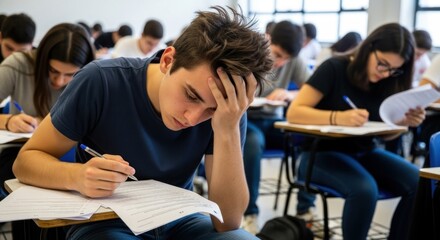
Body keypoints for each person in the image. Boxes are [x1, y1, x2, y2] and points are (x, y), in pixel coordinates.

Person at [13, 6, 273, 239]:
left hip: (180, 220)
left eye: (211, 110)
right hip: (106, 222)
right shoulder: (101, 81)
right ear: (168, 61)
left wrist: (226, 127)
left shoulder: (228, 110)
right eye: (191, 96)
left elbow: (228, 222)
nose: (193, 118)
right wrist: (77, 176)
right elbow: (25, 161)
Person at [287, 23, 424, 240]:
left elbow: (384, 134)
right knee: (364, 190)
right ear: (368, 48)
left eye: (393, 69)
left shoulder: (389, 81)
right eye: (382, 64)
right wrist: (337, 117)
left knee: (419, 182)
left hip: (365, 153)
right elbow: (294, 113)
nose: (386, 73)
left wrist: (403, 123)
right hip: (319, 155)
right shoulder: (334, 68)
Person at [0, 22, 95, 239]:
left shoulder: (93, 79)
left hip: (74, 160)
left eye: (70, 74)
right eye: (53, 71)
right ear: (42, 59)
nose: (59, 81)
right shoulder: (18, 65)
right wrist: (8, 120)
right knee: (26, 193)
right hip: (20, 153)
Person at [242, 20, 310, 234]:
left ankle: (305, 209)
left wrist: (289, 94)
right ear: (267, 38)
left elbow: (313, 89)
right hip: (246, 119)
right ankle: (249, 213)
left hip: (274, 121)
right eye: (277, 54)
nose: (280, 63)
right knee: (252, 143)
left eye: (286, 59)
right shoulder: (248, 53)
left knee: (308, 138)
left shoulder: (294, 60)